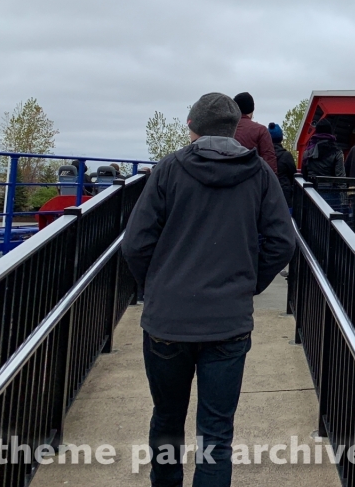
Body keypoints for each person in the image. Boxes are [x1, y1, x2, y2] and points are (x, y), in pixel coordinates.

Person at [122, 92, 295, 487]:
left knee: (166, 418)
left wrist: (157, 286)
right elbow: (282, 242)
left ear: (192, 127)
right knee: (216, 434)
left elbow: (135, 244)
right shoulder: (259, 174)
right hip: (227, 323)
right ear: (235, 129)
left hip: (167, 321)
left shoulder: (167, 170)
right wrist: (248, 283)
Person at [300, 118, 345, 210]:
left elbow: (304, 175)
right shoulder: (337, 152)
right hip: (331, 194)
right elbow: (340, 178)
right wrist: (344, 200)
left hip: (311, 193)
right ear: (330, 132)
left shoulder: (308, 152)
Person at [232, 92, 278, 174]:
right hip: (252, 181)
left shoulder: (225, 129)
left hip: (226, 181)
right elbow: (269, 163)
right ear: (252, 110)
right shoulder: (261, 130)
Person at [267, 123, 298, 207]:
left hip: (267, 193)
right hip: (284, 193)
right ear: (281, 138)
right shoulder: (286, 156)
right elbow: (293, 175)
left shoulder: (263, 155)